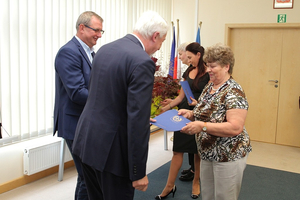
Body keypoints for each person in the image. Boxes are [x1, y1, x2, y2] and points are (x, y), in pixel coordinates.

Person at [72, 11, 168, 200]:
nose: (159, 47)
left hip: (87, 143)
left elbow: (104, 96)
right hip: (112, 155)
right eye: (162, 41)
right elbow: (137, 123)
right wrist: (138, 171)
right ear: (155, 36)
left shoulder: (105, 49)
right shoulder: (142, 62)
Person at [179, 43, 252, 200]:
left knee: (224, 197)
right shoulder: (210, 86)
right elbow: (206, 112)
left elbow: (235, 127)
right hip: (207, 153)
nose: (208, 70)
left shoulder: (233, 91)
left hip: (228, 155)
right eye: (207, 65)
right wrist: (191, 114)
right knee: (209, 196)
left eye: (213, 66)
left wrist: (202, 126)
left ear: (226, 67)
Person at [53, 11, 104, 200]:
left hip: (87, 121)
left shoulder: (90, 51)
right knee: (87, 176)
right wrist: (107, 100)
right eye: (96, 30)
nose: (99, 35)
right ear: (82, 28)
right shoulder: (69, 52)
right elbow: (76, 92)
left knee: (89, 175)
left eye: (101, 31)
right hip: (75, 123)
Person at [157, 42, 210, 199]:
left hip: (199, 114)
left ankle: (196, 182)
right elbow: (181, 96)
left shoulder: (209, 73)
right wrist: (169, 106)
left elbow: (211, 99)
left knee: (196, 152)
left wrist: (198, 104)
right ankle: (169, 186)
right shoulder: (189, 71)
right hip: (183, 113)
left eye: (189, 57)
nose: (187, 60)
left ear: (198, 55)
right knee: (177, 150)